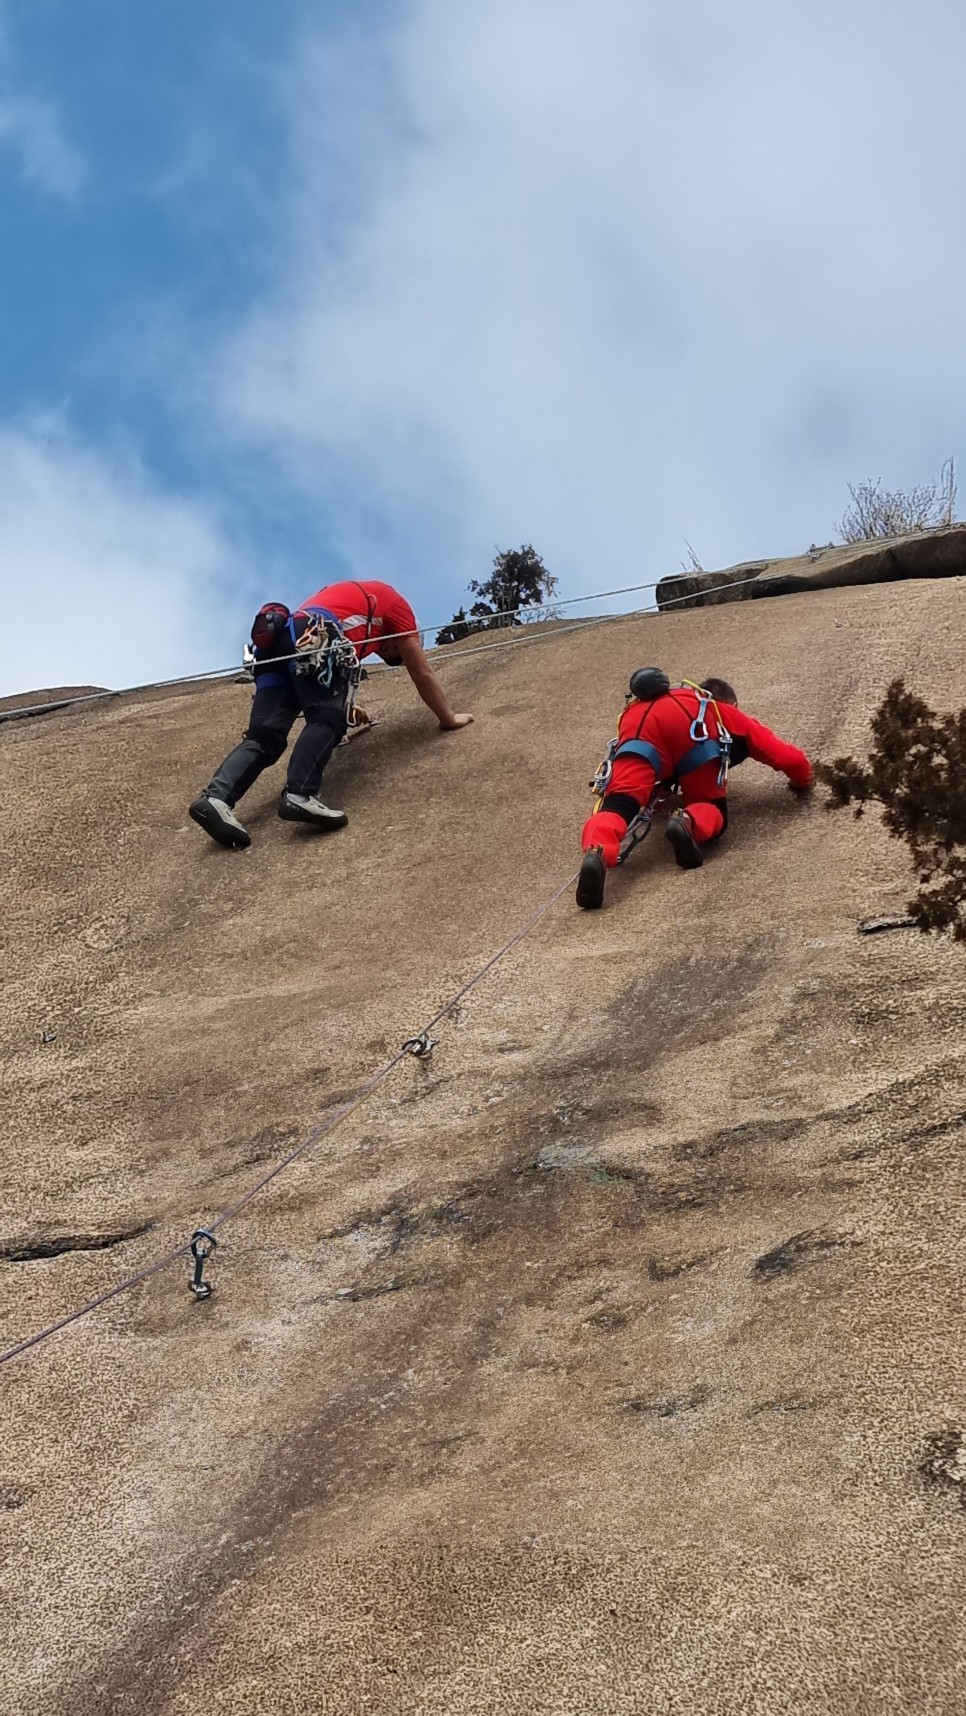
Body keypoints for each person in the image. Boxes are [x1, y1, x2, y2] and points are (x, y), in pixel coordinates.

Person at [189, 578, 473, 849]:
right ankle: (300, 794)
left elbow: (309, 688)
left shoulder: (355, 606)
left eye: (389, 658)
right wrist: (449, 718)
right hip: (315, 634)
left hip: (280, 642)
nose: (387, 653)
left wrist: (346, 707)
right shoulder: (399, 609)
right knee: (327, 719)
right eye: (393, 653)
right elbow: (421, 672)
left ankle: (215, 799)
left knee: (266, 737)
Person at [576, 668, 813, 909]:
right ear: (734, 703)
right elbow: (791, 759)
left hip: (638, 731)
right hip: (693, 739)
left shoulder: (636, 708)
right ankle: (687, 820)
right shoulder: (718, 710)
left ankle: (597, 851)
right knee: (710, 805)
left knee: (618, 805)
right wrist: (803, 780)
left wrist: (658, 795)